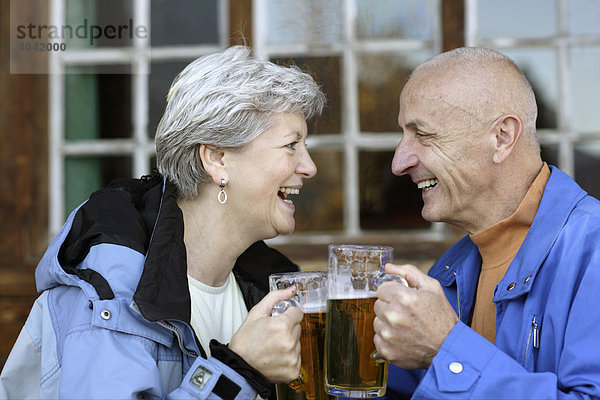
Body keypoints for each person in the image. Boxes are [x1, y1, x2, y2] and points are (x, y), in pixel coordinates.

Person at [0, 45, 326, 399]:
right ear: (217, 159)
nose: (310, 167)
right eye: (291, 145)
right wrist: (238, 371)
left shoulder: (264, 286)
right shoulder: (109, 294)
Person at [373, 47, 600, 399]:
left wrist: (447, 349)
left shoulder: (593, 251)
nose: (399, 162)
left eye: (424, 135)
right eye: (404, 134)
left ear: (502, 138)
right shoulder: (449, 272)